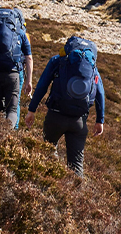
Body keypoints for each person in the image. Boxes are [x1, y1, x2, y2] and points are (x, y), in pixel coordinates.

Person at [28, 35, 107, 177]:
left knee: (48, 151)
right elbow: (100, 93)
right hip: (79, 121)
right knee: (76, 164)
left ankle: (52, 185)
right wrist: (99, 120)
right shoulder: (92, 68)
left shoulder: (57, 61)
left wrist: (32, 110)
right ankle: (76, 195)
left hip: (55, 116)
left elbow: (42, 86)